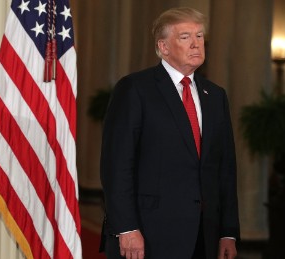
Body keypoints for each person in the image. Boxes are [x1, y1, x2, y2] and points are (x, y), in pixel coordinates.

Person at [99, 7, 240, 259]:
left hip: (204, 235)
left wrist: (227, 232)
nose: (196, 44)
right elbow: (117, 165)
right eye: (185, 37)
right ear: (163, 47)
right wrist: (127, 228)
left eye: (199, 36)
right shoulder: (135, 89)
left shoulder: (215, 96)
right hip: (149, 233)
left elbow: (225, 168)